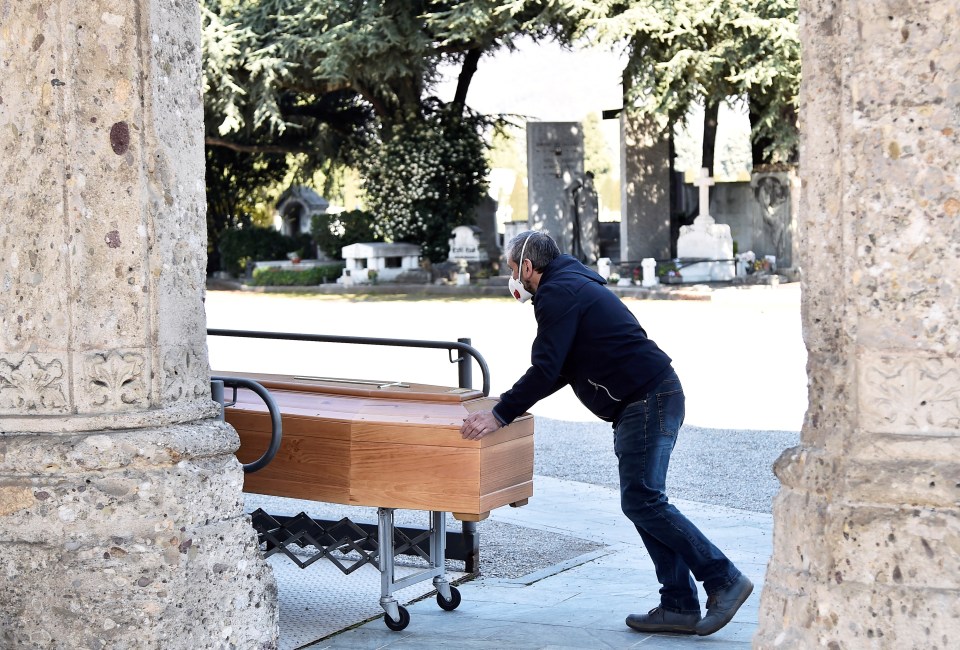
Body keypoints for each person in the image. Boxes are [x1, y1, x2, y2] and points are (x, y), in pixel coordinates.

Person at [460, 230, 753, 636]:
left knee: (643, 501)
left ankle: (723, 579)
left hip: (646, 399)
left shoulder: (557, 294)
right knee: (644, 501)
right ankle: (679, 606)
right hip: (647, 397)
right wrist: (508, 406)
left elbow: (546, 369)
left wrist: (500, 413)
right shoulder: (573, 284)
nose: (514, 280)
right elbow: (561, 368)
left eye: (513, 269)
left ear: (527, 267)